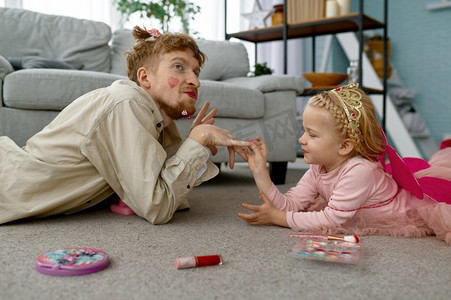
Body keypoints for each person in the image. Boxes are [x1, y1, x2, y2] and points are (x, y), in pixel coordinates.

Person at [0, 26, 250, 225]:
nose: (195, 80)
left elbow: (174, 199)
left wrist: (192, 144)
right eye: (178, 67)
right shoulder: (126, 104)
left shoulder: (162, 123)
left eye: (196, 72)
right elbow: (158, 206)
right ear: (145, 77)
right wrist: (196, 141)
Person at [238, 83, 451, 244]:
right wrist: (260, 173)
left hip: (404, 211)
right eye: (303, 131)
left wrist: (278, 218)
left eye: (311, 134)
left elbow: (331, 220)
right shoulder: (317, 167)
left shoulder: (360, 171)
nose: (301, 139)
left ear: (345, 146)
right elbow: (291, 205)